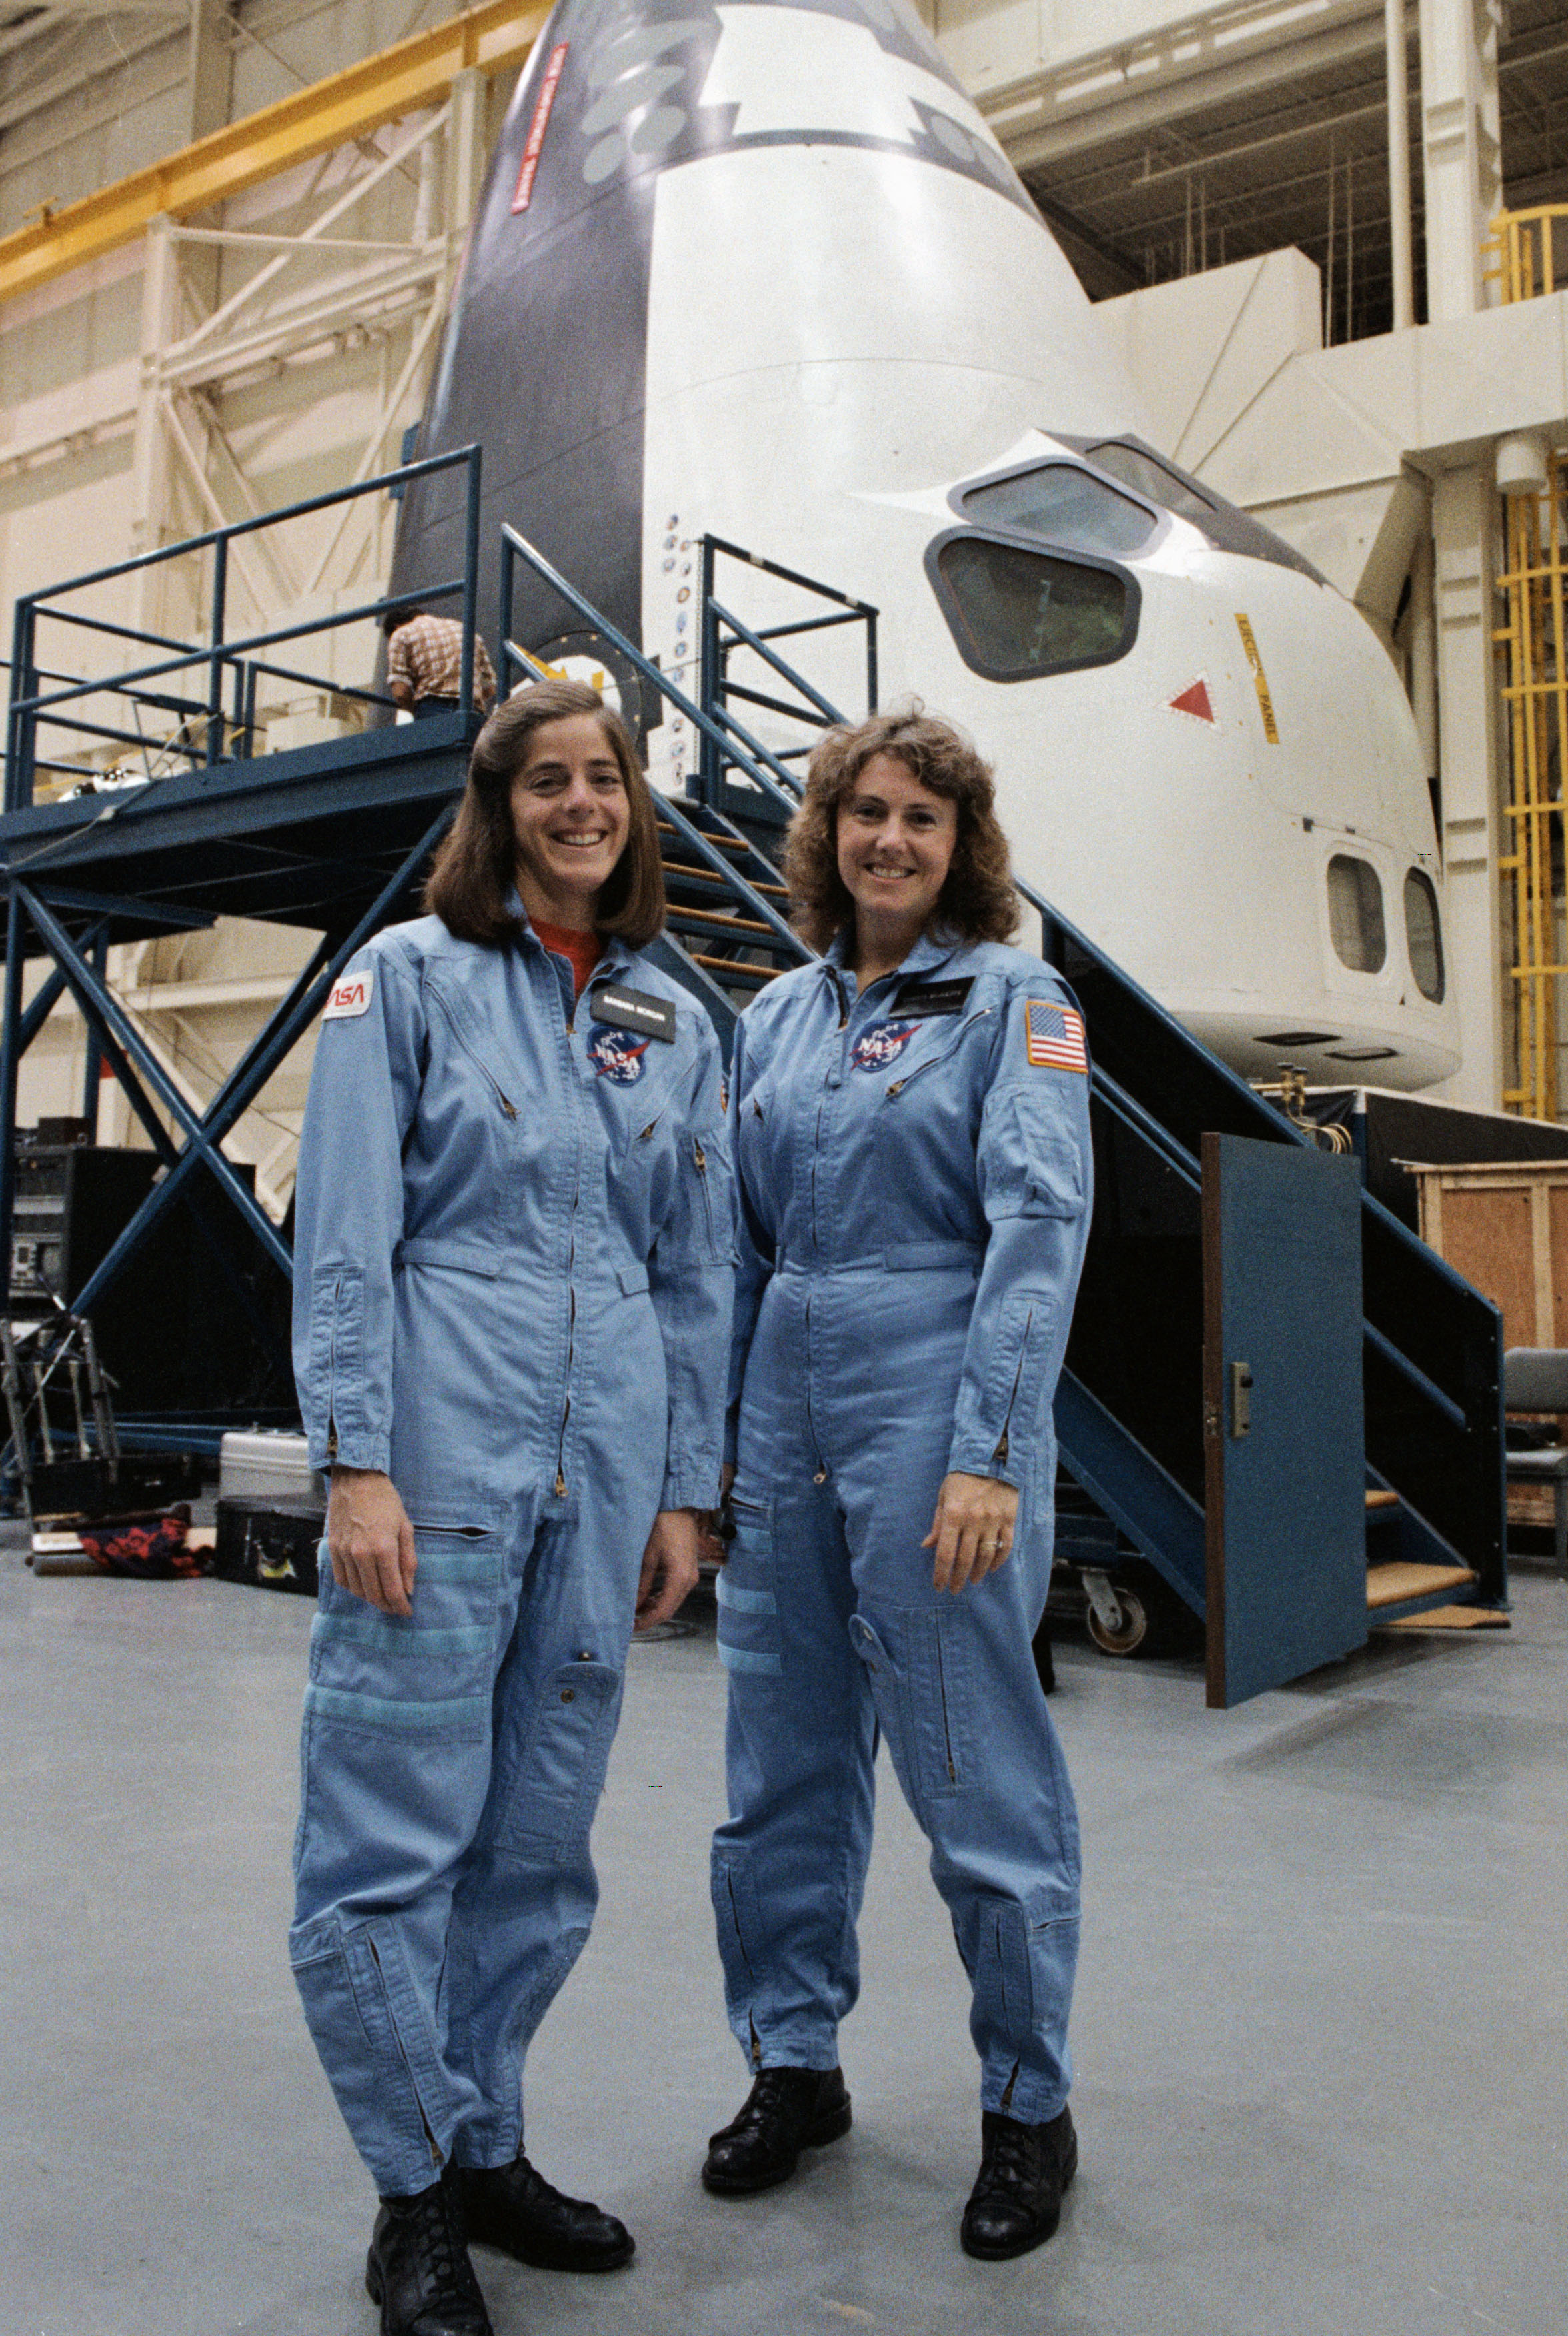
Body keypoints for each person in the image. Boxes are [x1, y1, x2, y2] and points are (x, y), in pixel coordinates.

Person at [289, 678, 733, 2336]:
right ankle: (410, 2199)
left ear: (634, 806)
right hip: (443, 1454)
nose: (578, 805)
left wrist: (686, 1495)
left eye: (602, 778)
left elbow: (694, 1272)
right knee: (389, 1842)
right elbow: (344, 1229)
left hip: (604, 1468)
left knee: (538, 1844)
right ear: (502, 809)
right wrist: (354, 1456)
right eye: (546, 781)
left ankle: (486, 2142)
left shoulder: (676, 1018)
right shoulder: (401, 983)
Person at [704, 708, 1093, 2261]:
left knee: (972, 1775)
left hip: (934, 1413)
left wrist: (992, 1448)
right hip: (783, 1409)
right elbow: (731, 1250)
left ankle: (1027, 2102)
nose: (890, 840)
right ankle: (793, 2066)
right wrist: (708, 1461)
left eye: (923, 819)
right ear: (827, 832)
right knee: (779, 1779)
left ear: (961, 844)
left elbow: (1040, 1224)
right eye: (866, 812)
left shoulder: (1018, 1000)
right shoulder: (776, 1020)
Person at [385, 599, 497, 718]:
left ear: (396, 627)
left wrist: (414, 711)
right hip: (473, 712)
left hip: (432, 709)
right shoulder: (465, 630)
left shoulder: (401, 634)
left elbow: (401, 693)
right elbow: (489, 688)